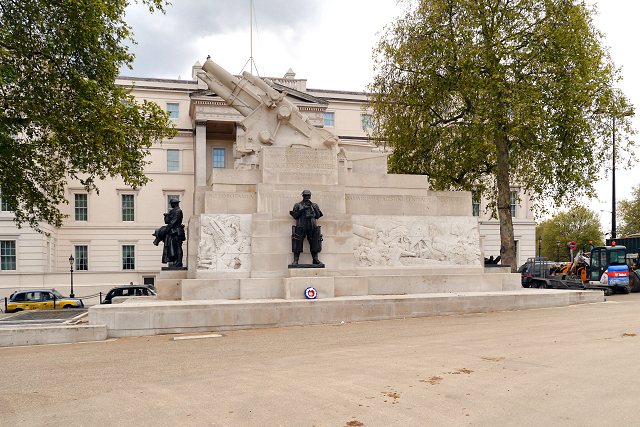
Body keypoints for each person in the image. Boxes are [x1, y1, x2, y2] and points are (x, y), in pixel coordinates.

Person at [289, 190, 323, 266]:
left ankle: (315, 259)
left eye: (308, 196)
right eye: (305, 196)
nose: (307, 197)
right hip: (301, 225)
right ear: (303, 196)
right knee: (297, 241)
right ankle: (296, 260)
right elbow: (295, 216)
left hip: (312, 225)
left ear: (310, 196)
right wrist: (302, 209)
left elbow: (318, 216)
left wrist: (315, 209)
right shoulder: (298, 205)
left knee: (314, 241)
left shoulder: (314, 205)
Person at [153, 198, 186, 267]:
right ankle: (176, 261)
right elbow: (167, 222)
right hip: (172, 231)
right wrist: (166, 216)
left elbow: (172, 222)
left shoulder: (178, 211)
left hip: (177, 231)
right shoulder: (173, 211)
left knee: (178, 247)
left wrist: (166, 230)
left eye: (171, 204)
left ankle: (179, 262)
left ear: (175, 204)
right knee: (173, 247)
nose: (171, 205)